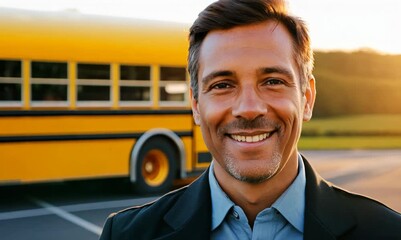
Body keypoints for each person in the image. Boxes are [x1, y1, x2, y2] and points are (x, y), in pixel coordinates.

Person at [99, 0, 401, 239]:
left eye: (272, 81)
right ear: (195, 105)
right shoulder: (127, 234)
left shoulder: (387, 232)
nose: (249, 108)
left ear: (307, 98)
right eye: (222, 85)